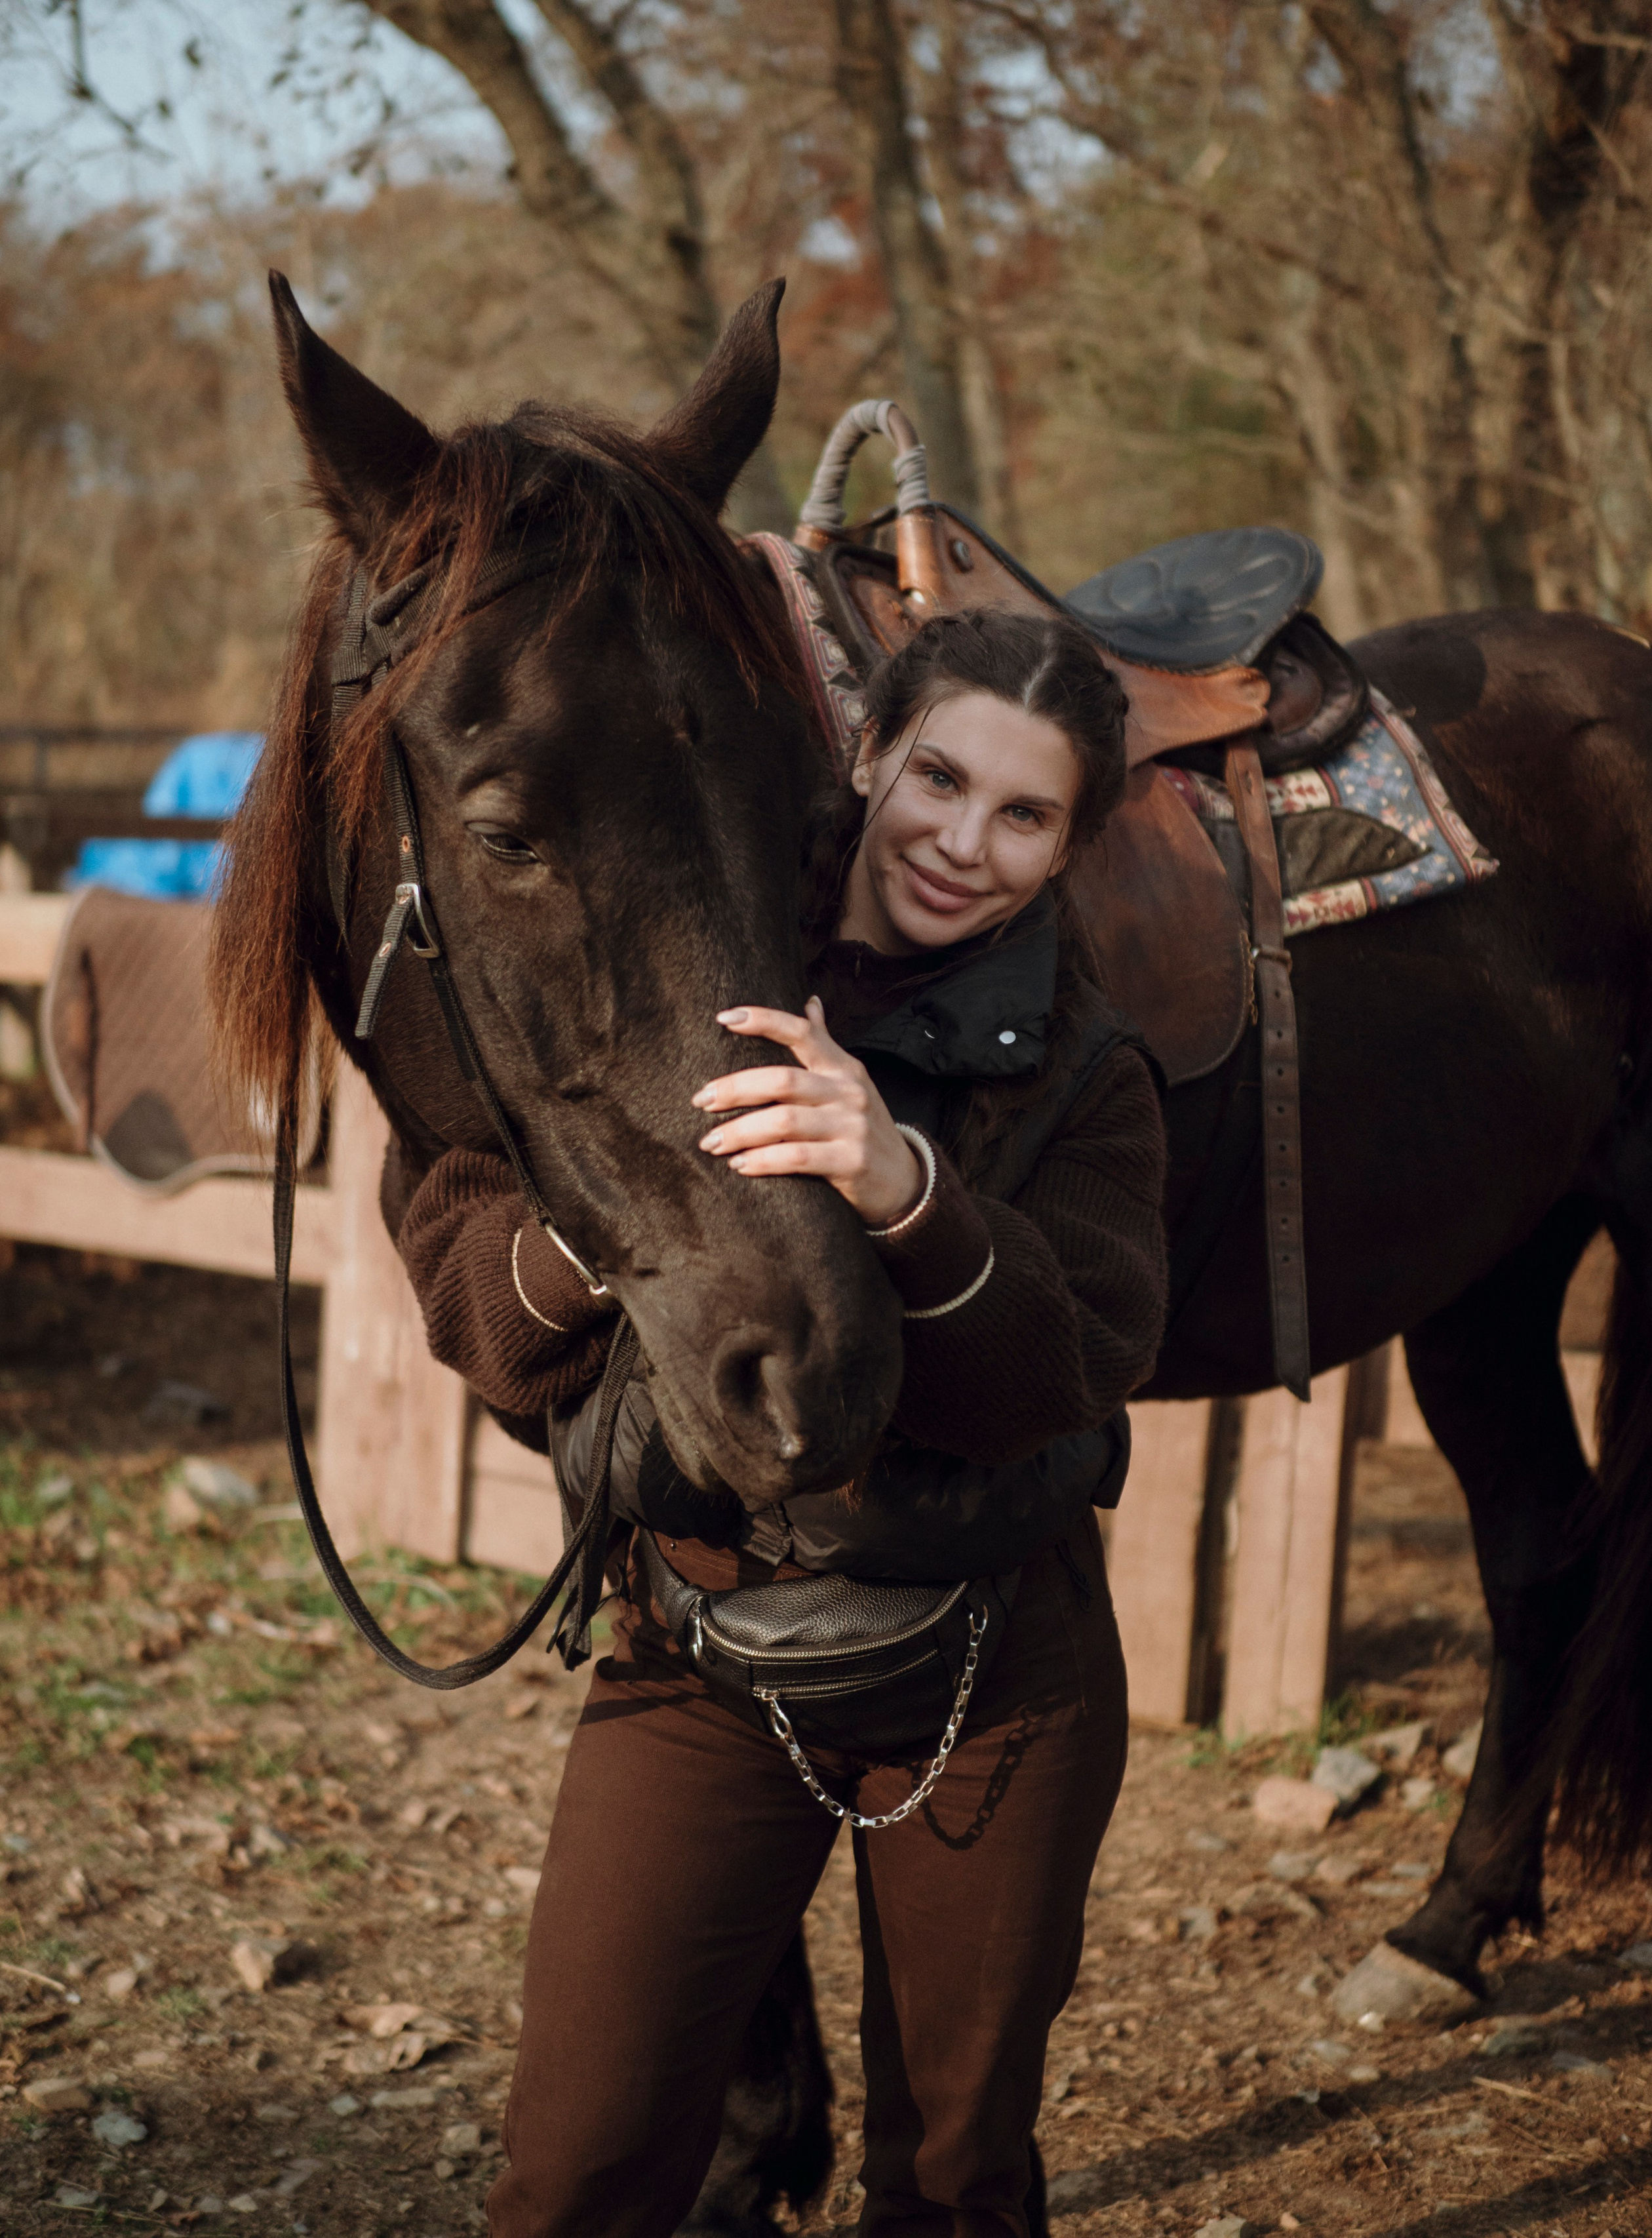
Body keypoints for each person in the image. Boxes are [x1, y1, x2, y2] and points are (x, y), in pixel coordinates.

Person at [398, 607, 1168, 2237]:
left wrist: (902, 1188)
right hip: (695, 1648)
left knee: (955, 2183)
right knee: (577, 2170)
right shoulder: (667, 966)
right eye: (937, 778)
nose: (962, 842)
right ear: (866, 758)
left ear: (1068, 845)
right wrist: (621, 1216)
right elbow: (466, 1263)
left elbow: (1070, 1361)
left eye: (1023, 815)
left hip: (994, 1670)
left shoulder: (1088, 1073)